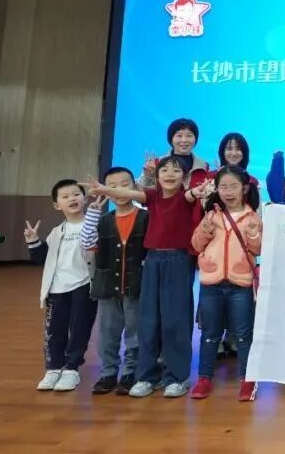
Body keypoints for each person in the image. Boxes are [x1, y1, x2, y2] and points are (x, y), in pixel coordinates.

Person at [83, 156, 209, 398]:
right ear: (157, 176)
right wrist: (103, 189)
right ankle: (146, 376)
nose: (170, 174)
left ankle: (177, 377)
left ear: (184, 177)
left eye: (176, 170)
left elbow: (193, 193)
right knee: (148, 320)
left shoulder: (185, 197)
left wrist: (198, 191)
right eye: (165, 170)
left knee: (175, 320)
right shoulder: (151, 197)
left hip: (178, 260)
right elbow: (128, 193)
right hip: (152, 261)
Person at [190, 167, 262, 402]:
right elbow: (196, 245)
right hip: (211, 283)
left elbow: (259, 250)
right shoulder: (211, 216)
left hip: (240, 283)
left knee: (243, 334)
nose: (228, 192)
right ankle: (204, 378)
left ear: (244, 189)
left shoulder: (252, 218)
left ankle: (247, 379)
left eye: (233, 186)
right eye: (223, 187)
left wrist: (253, 235)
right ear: (217, 189)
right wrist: (205, 230)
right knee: (209, 334)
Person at [79, 167, 149, 396]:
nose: (119, 190)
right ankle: (108, 372)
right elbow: (87, 244)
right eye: (112, 186)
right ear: (105, 190)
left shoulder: (146, 217)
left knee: (135, 333)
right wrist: (92, 213)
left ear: (134, 187)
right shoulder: (102, 220)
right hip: (108, 286)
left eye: (125, 184)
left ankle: (130, 372)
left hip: (136, 286)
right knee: (107, 334)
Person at [26, 179, 97, 392]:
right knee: (54, 330)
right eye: (65, 197)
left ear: (84, 198)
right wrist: (33, 241)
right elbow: (43, 259)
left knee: (79, 329)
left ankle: (71, 369)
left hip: (84, 286)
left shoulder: (94, 226)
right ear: (57, 205)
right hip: (57, 289)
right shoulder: (56, 231)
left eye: (76, 194)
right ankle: (53, 369)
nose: (72, 199)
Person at [140, 118, 209, 188]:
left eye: (189, 136)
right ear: (171, 139)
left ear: (195, 139)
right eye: (179, 136)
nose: (184, 140)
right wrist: (148, 177)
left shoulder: (204, 166)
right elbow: (142, 191)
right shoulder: (156, 164)